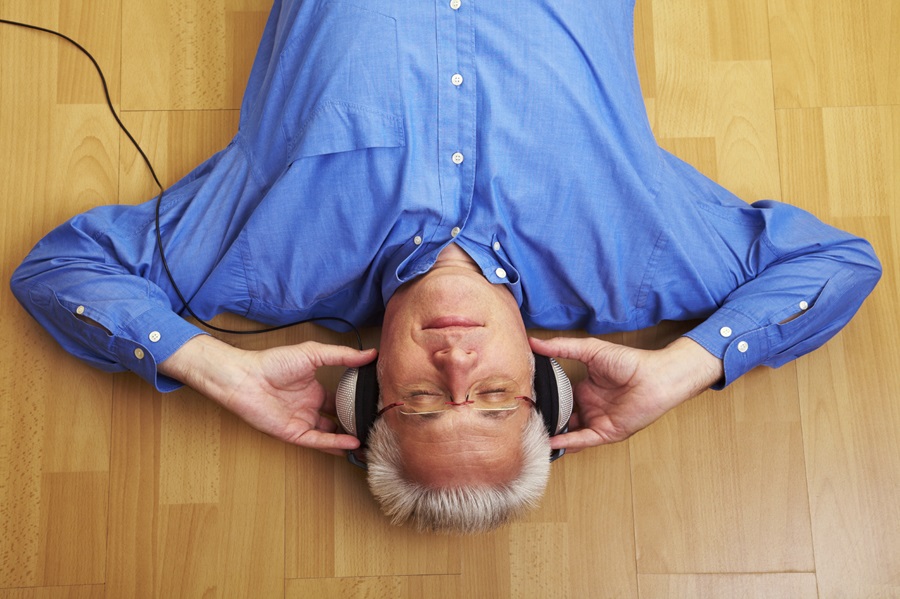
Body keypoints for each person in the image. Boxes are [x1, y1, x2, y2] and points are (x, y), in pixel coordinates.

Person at [9, 0, 881, 533]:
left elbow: (57, 271)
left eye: (423, 400)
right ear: (547, 380)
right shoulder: (643, 260)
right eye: (496, 397)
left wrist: (210, 367)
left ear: (363, 389)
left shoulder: (257, 258)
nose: (458, 363)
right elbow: (837, 264)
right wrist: (688, 366)